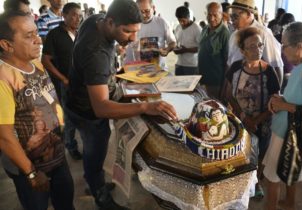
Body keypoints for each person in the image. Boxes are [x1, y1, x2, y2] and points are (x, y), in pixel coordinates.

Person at [65, 0, 178, 209]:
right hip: (88, 112)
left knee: (95, 155)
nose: (133, 38)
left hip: (80, 96)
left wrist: (113, 75)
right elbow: (102, 107)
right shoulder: (96, 53)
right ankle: (101, 198)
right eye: (127, 32)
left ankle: (95, 181)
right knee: (94, 152)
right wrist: (146, 107)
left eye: (136, 31)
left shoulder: (94, 21)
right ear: (109, 22)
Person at [0, 11, 74, 210]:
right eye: (28, 36)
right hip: (29, 169)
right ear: (7, 45)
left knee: (66, 202)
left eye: (36, 33)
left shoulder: (36, 63)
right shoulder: (3, 78)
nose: (38, 40)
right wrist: (31, 172)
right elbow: (4, 136)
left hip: (57, 157)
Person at [263, 22, 302, 210]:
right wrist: (283, 98)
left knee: (271, 176)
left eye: (284, 45)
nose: (282, 50)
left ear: (299, 46)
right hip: (296, 129)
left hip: (290, 131)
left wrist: (284, 105)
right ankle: (289, 203)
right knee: (291, 168)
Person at [223, 27, 280, 197]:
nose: (258, 50)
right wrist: (243, 116)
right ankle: (238, 182)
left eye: (260, 45)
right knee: (239, 152)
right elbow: (228, 94)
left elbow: (274, 102)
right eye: (252, 47)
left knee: (259, 154)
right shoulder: (235, 68)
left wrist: (255, 121)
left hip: (261, 124)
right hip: (240, 121)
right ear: (242, 51)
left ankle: (256, 183)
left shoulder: (269, 72)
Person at [42, 2, 82, 160]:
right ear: (63, 16)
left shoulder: (80, 33)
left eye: (79, 15)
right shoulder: (55, 34)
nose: (77, 18)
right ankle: (70, 145)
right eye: (73, 14)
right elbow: (45, 60)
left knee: (80, 113)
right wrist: (63, 79)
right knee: (69, 116)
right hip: (66, 84)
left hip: (81, 83)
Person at [228, 0, 283, 85]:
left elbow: (276, 66)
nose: (232, 21)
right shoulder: (234, 35)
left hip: (256, 90)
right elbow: (229, 64)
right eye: (231, 16)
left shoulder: (263, 33)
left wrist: (276, 94)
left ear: (249, 14)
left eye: (235, 16)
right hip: (235, 89)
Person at [123, 0, 176, 69]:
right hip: (136, 71)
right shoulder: (130, 23)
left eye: (147, 11)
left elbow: (172, 42)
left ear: (153, 8)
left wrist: (167, 50)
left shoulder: (162, 23)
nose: (143, 15)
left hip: (158, 71)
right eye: (140, 12)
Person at [198, 2, 230, 99]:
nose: (211, 19)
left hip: (216, 84)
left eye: (215, 15)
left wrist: (224, 88)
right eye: (209, 15)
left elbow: (227, 64)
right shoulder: (205, 29)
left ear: (221, 14)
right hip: (202, 80)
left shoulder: (225, 33)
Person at [174, 6, 201, 75]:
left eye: (183, 20)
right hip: (179, 64)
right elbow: (176, 43)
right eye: (179, 20)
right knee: (178, 85)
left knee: (191, 85)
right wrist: (175, 49)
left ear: (189, 17)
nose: (181, 23)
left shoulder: (196, 29)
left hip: (192, 65)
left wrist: (186, 50)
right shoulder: (178, 28)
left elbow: (201, 48)